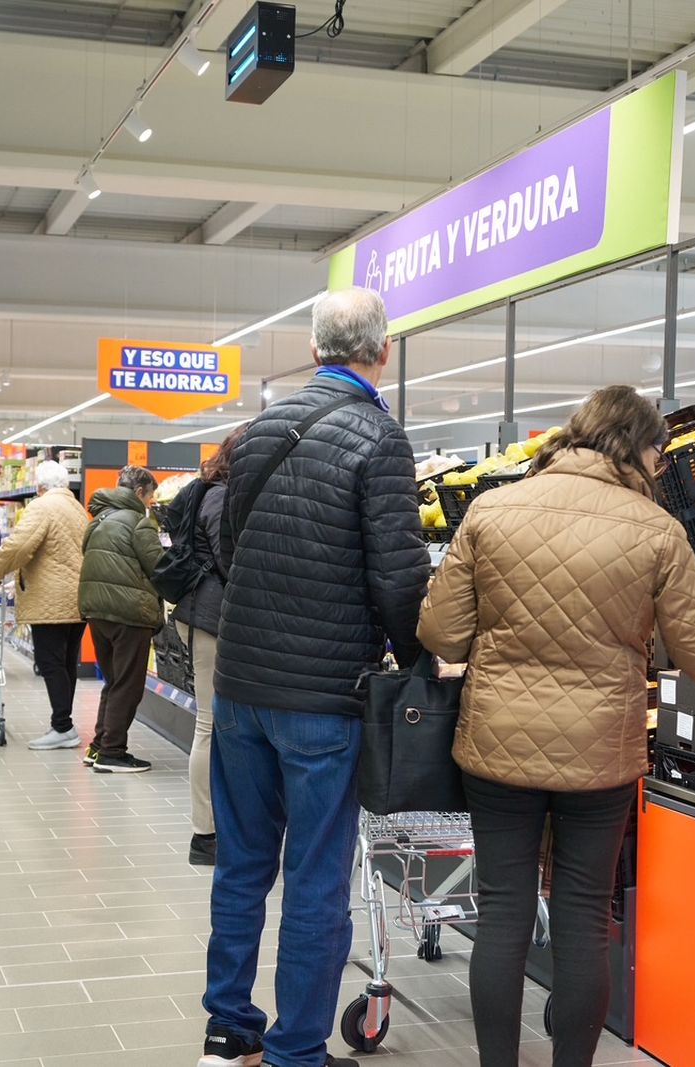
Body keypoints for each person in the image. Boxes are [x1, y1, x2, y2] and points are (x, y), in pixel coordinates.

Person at [417, 386, 695, 1067]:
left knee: (504, 912)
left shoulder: (493, 508)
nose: (661, 468)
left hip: (497, 745)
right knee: (582, 917)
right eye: (660, 455)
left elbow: (441, 633)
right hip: (598, 753)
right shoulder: (655, 531)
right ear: (640, 449)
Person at [199, 288, 428, 1067]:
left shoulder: (261, 429)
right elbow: (399, 577)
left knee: (242, 863)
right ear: (384, 350)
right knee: (315, 876)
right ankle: (297, 1048)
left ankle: (229, 1029)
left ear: (313, 347)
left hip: (241, 685)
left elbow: (229, 547)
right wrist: (419, 662)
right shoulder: (381, 438)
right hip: (323, 697)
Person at [171, 425, 246, 868]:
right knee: (208, 725)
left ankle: (221, 825)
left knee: (217, 725)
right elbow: (228, 559)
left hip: (207, 615)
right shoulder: (219, 496)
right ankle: (205, 834)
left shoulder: (210, 490)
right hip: (210, 618)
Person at [0, 461, 89, 751]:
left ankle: (63, 728)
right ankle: (63, 724)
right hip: (77, 597)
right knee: (66, 662)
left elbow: (19, 545)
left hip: (51, 599)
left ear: (40, 487)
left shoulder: (43, 507)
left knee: (50, 662)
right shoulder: (77, 508)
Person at [78, 465, 162, 774]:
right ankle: (112, 752)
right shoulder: (138, 522)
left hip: (97, 609)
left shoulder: (99, 519)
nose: (152, 502)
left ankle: (99, 746)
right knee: (128, 685)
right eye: (150, 496)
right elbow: (159, 566)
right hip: (129, 613)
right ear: (139, 492)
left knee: (114, 682)